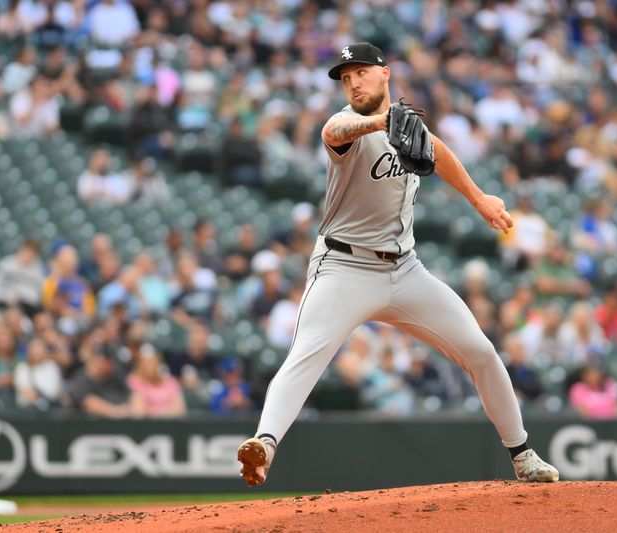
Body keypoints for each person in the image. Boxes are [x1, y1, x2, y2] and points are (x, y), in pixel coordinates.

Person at [237, 43, 558, 487]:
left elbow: (438, 152)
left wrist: (479, 198)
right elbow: (338, 131)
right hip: (343, 268)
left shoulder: (410, 127)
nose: (352, 82)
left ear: (385, 74)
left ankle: (523, 456)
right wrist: (380, 121)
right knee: (308, 352)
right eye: (345, 78)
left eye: (360, 72)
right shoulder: (345, 126)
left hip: (406, 271)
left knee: (481, 352)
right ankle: (264, 444)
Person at [127, 346, 186, 418]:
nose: (148, 366)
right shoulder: (135, 381)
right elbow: (138, 411)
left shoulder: (171, 382)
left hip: (170, 426)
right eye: (145, 362)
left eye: (152, 362)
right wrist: (161, 413)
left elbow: (179, 410)